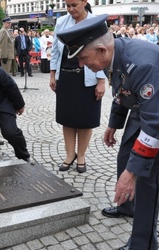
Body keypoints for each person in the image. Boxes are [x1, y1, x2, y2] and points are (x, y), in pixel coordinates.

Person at [56, 14, 159, 249]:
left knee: (146, 175)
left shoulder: (142, 64)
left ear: (102, 50)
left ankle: (142, 244)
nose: (82, 65)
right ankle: (126, 205)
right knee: (126, 154)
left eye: (84, 58)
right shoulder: (114, 55)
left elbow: (157, 123)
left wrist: (133, 173)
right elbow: (123, 88)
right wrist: (114, 123)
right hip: (150, 110)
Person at [49, 0, 106, 173]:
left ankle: (81, 155)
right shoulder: (61, 22)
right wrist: (53, 74)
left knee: (85, 120)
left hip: (88, 77)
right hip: (66, 76)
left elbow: (104, 52)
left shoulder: (97, 22)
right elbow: (56, 51)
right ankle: (69, 154)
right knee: (67, 118)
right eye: (68, 5)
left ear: (84, 2)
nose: (71, 9)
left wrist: (101, 80)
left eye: (74, 4)